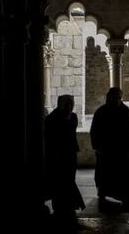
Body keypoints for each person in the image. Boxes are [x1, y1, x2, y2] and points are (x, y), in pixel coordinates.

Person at [90, 87, 129, 211]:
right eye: (113, 97)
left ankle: (123, 197)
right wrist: (97, 147)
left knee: (121, 175)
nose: (115, 100)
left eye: (118, 97)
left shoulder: (125, 111)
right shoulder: (101, 112)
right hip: (106, 150)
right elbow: (94, 131)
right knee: (104, 175)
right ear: (108, 97)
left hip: (121, 151)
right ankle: (102, 196)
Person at [44, 94, 85, 224]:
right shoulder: (51, 119)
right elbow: (49, 139)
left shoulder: (73, 117)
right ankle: (60, 208)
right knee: (58, 182)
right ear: (59, 104)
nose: (69, 107)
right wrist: (53, 154)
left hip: (70, 154)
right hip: (57, 155)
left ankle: (69, 206)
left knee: (69, 180)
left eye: (71, 104)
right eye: (66, 104)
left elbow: (71, 135)